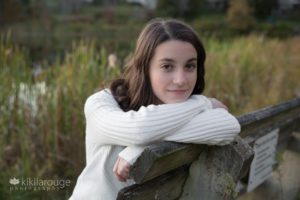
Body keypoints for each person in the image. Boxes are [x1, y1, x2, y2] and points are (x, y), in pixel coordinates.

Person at [69, 18, 240, 200]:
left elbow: (229, 125)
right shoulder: (101, 104)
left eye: (190, 66)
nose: (181, 80)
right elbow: (139, 129)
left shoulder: (187, 111)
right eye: (167, 66)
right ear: (145, 68)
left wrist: (139, 149)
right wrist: (204, 103)